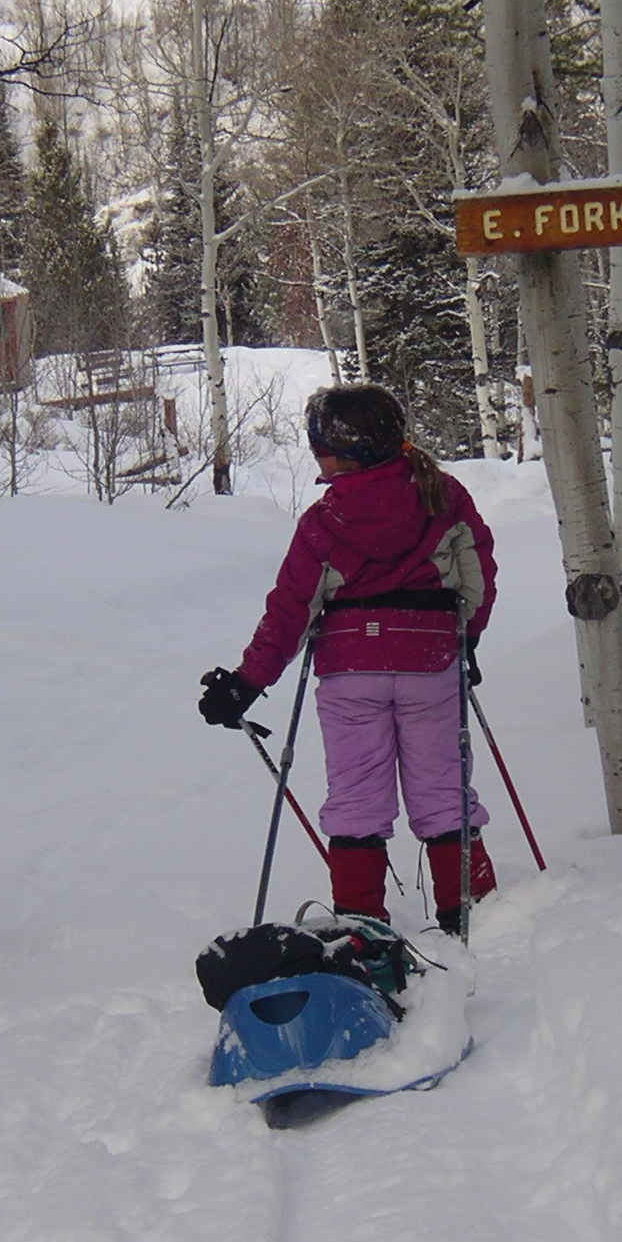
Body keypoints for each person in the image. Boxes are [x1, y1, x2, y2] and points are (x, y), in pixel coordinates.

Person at [198, 384, 498, 933]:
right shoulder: (443, 496)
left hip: (350, 672)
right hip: (429, 661)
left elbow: (290, 610)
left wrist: (246, 682)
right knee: (442, 788)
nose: (315, 458)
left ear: (347, 453)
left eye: (318, 448)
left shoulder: (323, 521)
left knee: (357, 794)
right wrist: (466, 637)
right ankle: (474, 911)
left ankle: (362, 923)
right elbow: (477, 573)